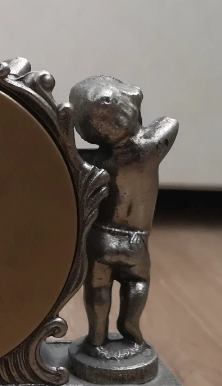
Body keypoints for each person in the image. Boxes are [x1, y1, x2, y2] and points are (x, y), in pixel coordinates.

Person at [70, 75, 178, 347]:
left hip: (99, 238)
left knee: (98, 288)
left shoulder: (96, 160)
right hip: (134, 240)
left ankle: (97, 337)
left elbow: (72, 156)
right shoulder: (149, 150)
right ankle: (130, 324)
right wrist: (134, 95)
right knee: (137, 281)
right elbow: (169, 123)